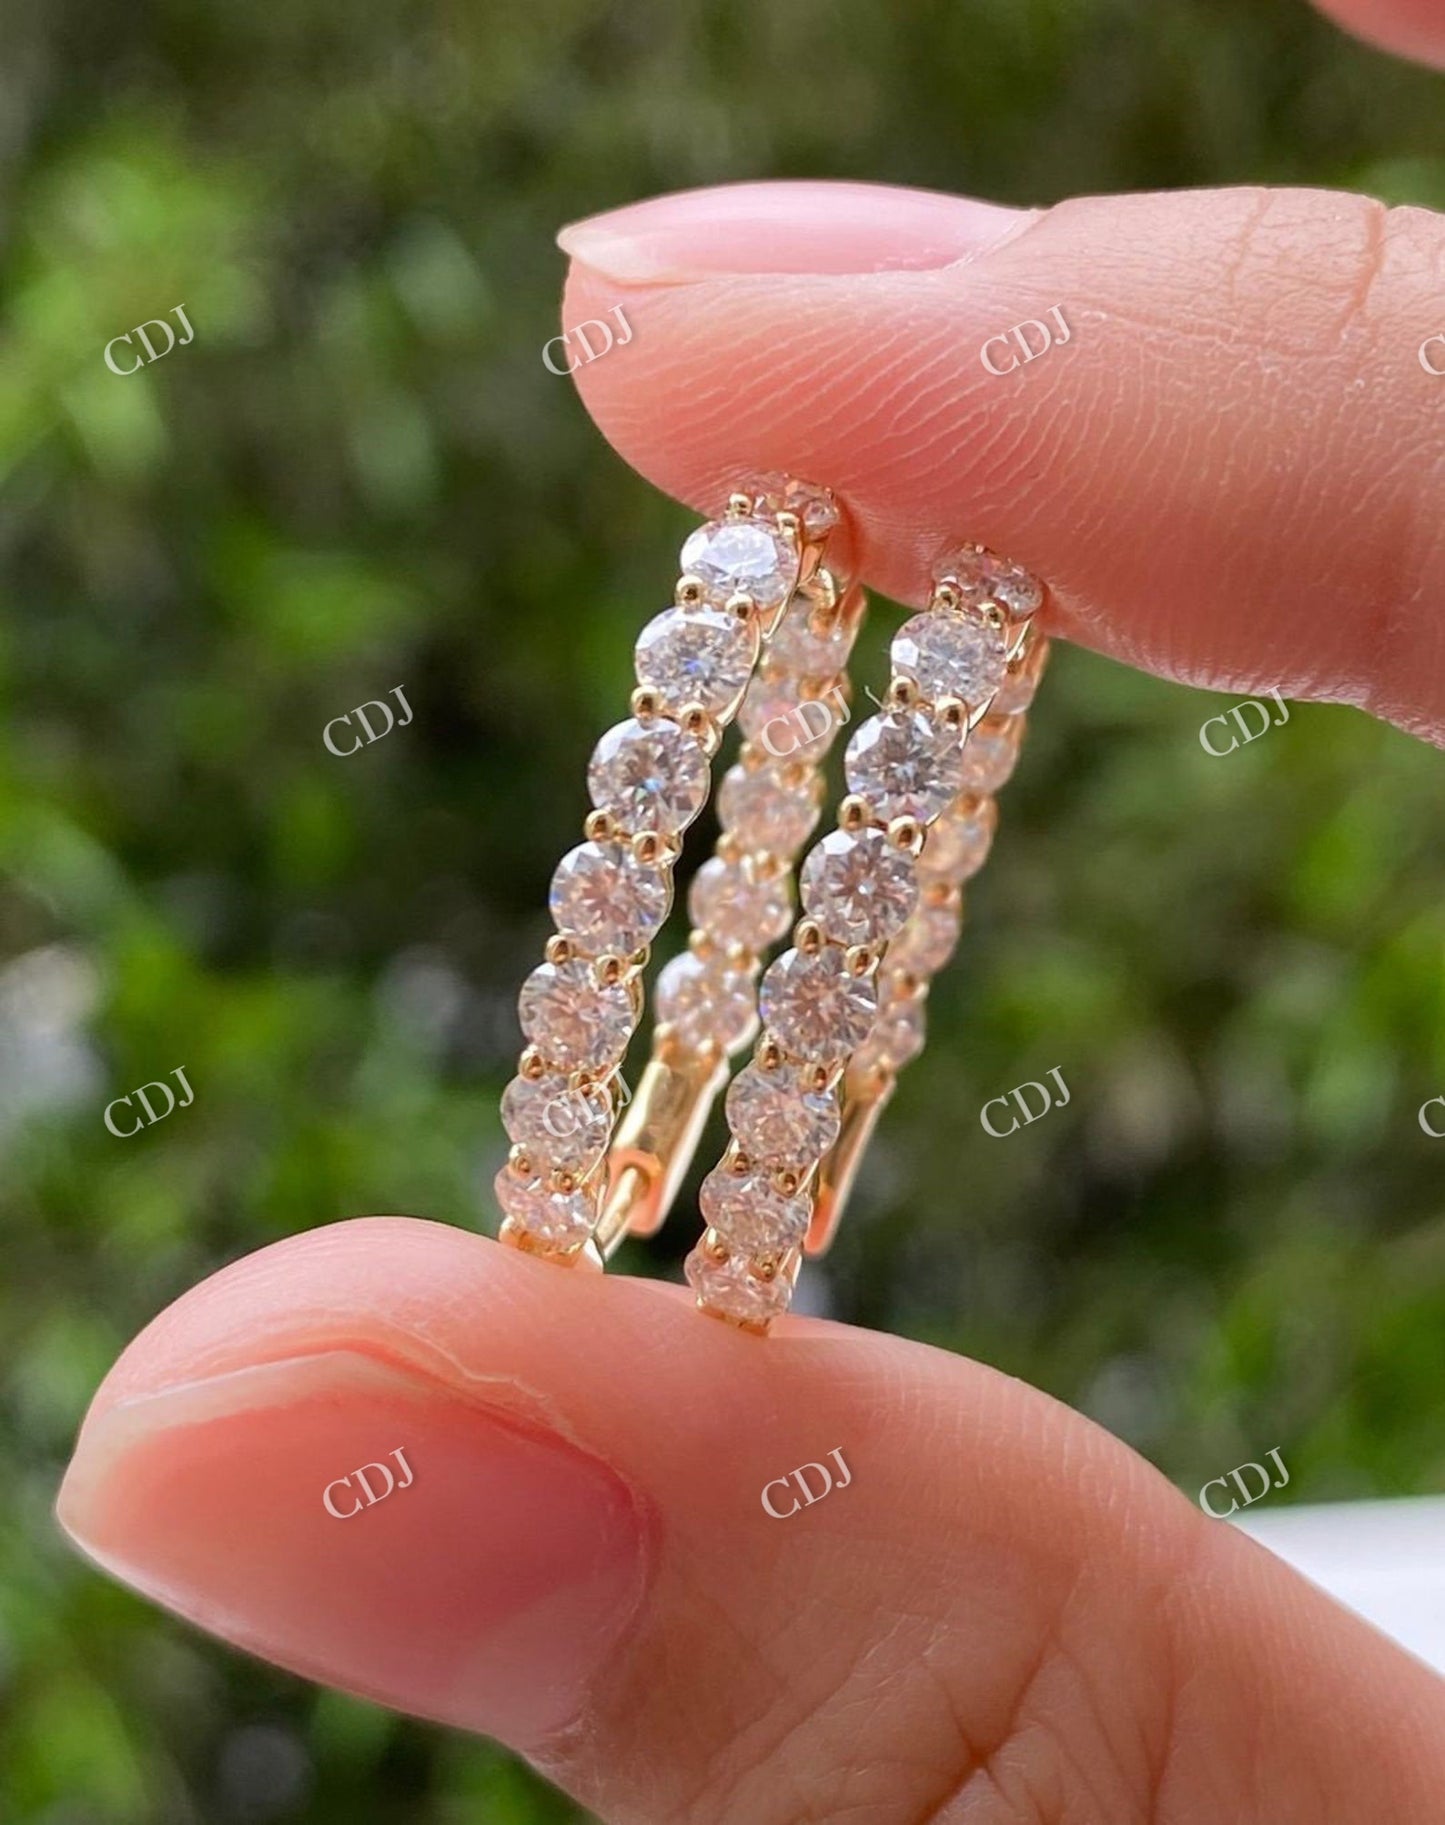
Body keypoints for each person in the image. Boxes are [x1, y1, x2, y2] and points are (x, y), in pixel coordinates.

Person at [58, 0, 1445, 1817]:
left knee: (831, 895)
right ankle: (656, 1180)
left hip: (743, 1127)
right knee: (758, 897)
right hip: (679, 1099)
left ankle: (699, 1190)